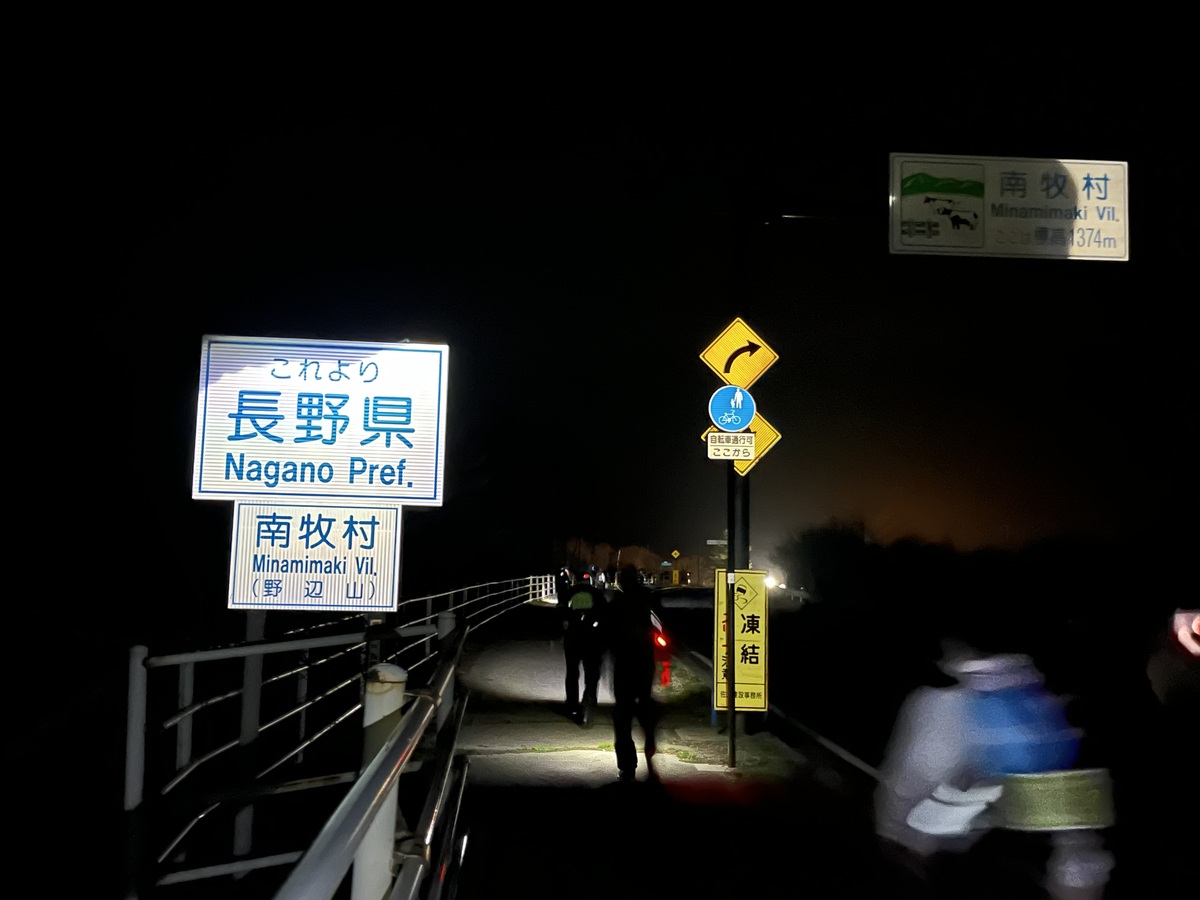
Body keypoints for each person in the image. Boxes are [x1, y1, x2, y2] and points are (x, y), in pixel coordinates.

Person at [607, 565, 660, 781]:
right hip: (645, 662)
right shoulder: (648, 599)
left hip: (624, 664)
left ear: (621, 581)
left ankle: (627, 767)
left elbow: (607, 633)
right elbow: (659, 627)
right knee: (645, 703)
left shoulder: (617, 603)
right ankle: (649, 741)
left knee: (622, 714)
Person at [561, 571, 605, 725]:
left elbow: (562, 613)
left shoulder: (569, 593)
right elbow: (604, 615)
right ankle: (589, 699)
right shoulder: (596, 593)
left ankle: (572, 705)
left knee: (572, 672)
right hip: (592, 639)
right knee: (592, 672)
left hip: (573, 638)